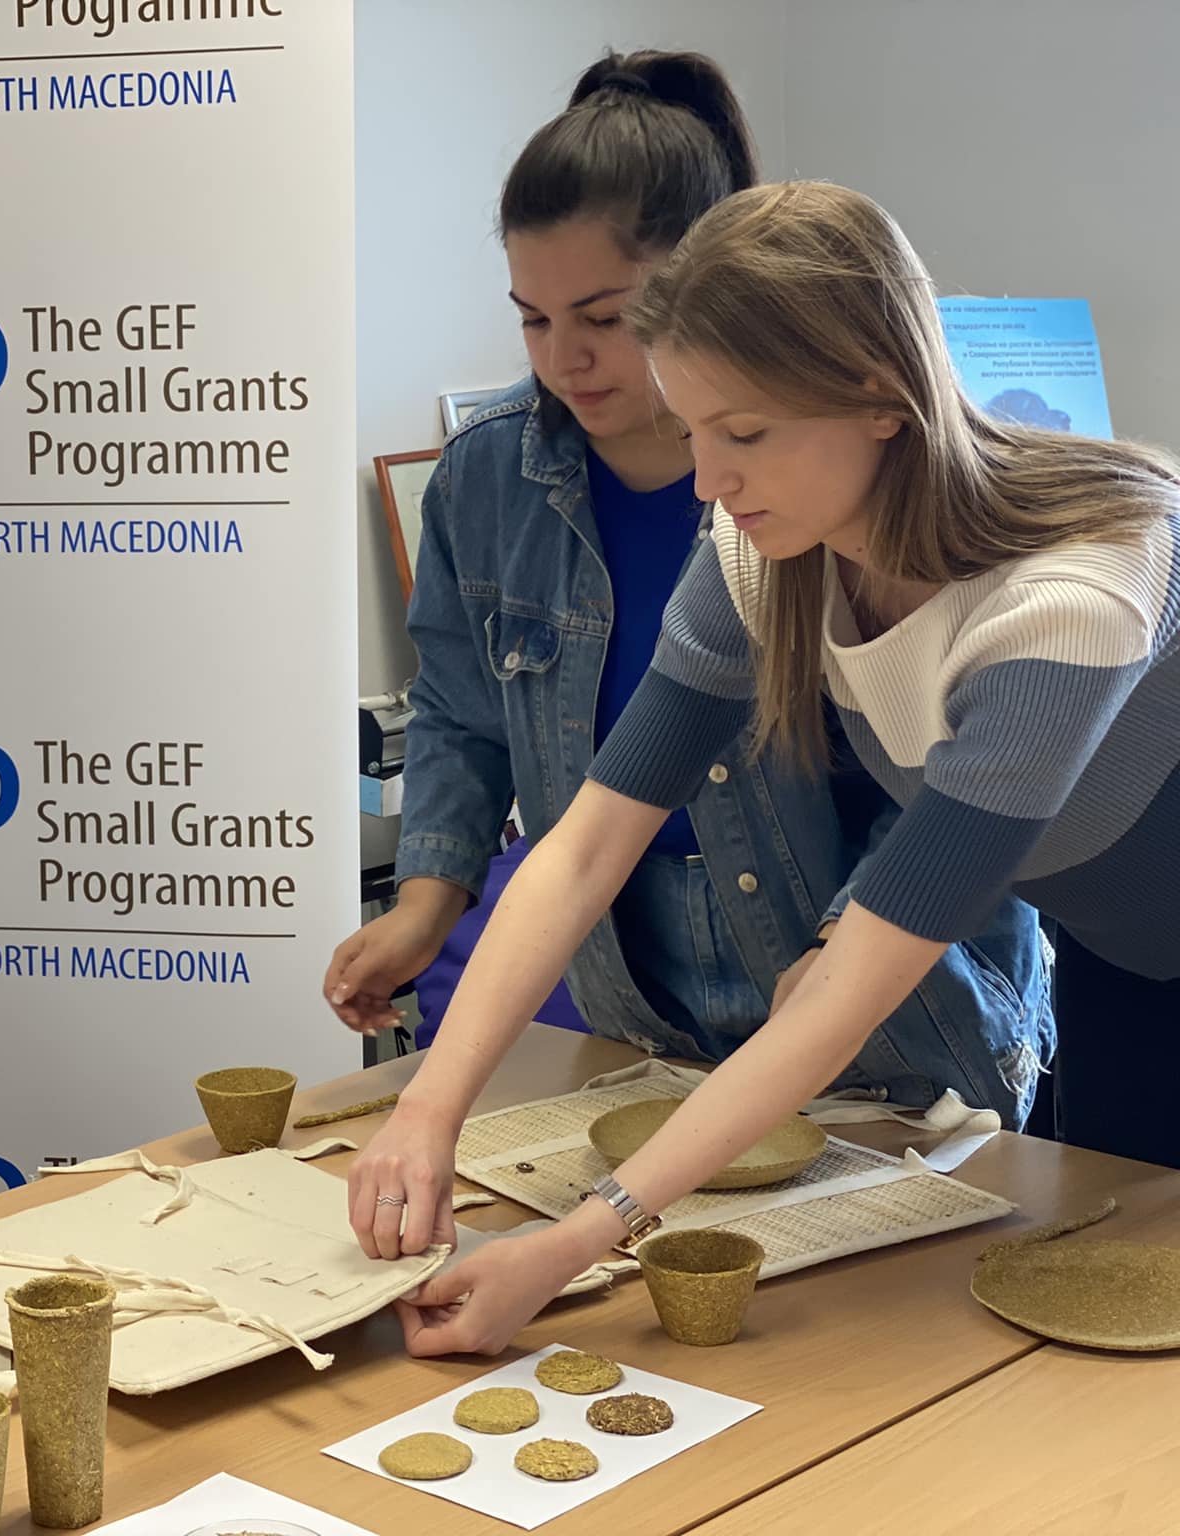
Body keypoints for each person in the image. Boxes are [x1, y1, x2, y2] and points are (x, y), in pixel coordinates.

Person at [356, 175, 1180, 1360]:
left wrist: (573, 1243)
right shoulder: (767, 552)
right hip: (1122, 948)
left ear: (880, 398)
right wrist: (426, 1108)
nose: (707, 479)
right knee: (1104, 1293)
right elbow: (582, 844)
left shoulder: (1070, 596)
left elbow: (852, 986)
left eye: (742, 435)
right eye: (690, 430)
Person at [326, 53, 1049, 1168]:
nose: (564, 360)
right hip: (637, 989)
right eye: (531, 321)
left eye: (603, 318)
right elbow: (484, 740)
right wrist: (429, 903)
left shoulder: (868, 487)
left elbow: (949, 790)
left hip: (880, 980)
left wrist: (844, 945)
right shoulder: (492, 480)